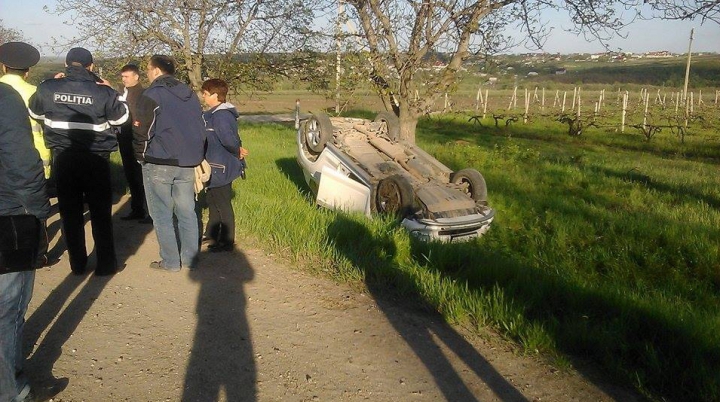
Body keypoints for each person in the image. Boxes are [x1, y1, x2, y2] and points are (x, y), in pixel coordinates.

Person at [29, 47, 129, 276]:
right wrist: (110, 89)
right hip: (97, 159)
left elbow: (36, 114)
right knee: (100, 214)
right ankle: (105, 264)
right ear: (91, 67)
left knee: (70, 213)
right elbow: (122, 117)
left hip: (64, 158)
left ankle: (78, 264)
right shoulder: (103, 92)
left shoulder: (47, 87)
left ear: (66, 63)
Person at [0, 82, 50, 402]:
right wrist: (39, 211)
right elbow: (23, 162)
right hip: (8, 216)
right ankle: (9, 388)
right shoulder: (5, 98)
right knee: (7, 307)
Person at [134, 55, 206, 272]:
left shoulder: (152, 94)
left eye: (148, 69)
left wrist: (140, 156)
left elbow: (141, 131)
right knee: (187, 212)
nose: (147, 73)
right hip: (188, 161)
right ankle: (191, 260)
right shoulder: (190, 94)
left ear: (156, 71)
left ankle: (171, 262)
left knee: (162, 214)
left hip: (159, 161)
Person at [0, 41, 54, 268]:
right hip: (36, 162)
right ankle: (39, 253)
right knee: (34, 214)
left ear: (3, 67)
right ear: (28, 70)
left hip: (7, 163)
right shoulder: (36, 93)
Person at [200, 79, 245, 252]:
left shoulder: (221, 116)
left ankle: (226, 241)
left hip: (221, 165)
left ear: (215, 95)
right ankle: (212, 233)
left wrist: (237, 151)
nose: (203, 96)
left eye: (205, 93)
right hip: (214, 164)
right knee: (212, 200)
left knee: (222, 203)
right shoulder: (213, 114)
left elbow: (228, 140)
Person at [117, 64, 150, 222]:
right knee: (131, 177)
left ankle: (150, 212)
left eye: (127, 77)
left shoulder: (142, 95)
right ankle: (137, 209)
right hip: (124, 140)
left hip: (137, 140)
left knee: (142, 177)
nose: (124, 80)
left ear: (136, 77)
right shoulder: (123, 93)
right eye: (122, 77)